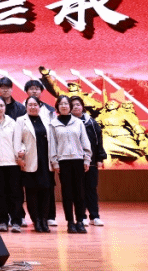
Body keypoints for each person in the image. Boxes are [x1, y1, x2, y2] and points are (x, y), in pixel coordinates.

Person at [50, 95, 91, 234]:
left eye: (66, 104)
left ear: (70, 106)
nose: (64, 106)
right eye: (61, 104)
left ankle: (80, 221)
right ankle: (70, 222)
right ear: (57, 106)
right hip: (63, 162)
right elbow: (52, 145)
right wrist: (55, 162)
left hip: (78, 160)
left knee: (80, 192)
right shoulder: (53, 124)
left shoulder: (78, 122)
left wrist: (87, 159)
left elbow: (85, 141)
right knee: (67, 193)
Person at [15, 96, 55, 233]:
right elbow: (17, 141)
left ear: (39, 106)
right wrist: (19, 156)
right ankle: (36, 220)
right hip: (29, 161)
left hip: (46, 161)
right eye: (30, 105)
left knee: (46, 192)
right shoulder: (21, 120)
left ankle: (44, 220)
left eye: (35, 104)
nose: (32, 107)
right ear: (26, 107)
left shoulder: (46, 120)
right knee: (32, 192)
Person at [23, 79, 56, 225]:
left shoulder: (49, 111)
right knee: (31, 190)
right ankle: (35, 219)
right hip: (29, 158)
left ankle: (48, 217)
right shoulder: (21, 111)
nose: (34, 91)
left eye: (37, 88)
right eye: (31, 88)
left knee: (47, 188)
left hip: (46, 157)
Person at [0, 96, 22, 233]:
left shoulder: (12, 122)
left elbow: (19, 140)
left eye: (1, 106)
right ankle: (2, 221)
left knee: (15, 193)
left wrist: (21, 152)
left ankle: (16, 221)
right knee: (0, 193)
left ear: (5, 107)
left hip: (12, 163)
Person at [73, 96, 107, 227]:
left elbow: (98, 141)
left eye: (78, 104)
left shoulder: (91, 122)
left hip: (91, 161)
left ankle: (95, 216)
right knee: (78, 190)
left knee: (91, 189)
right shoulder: (68, 122)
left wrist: (99, 158)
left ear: (82, 106)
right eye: (73, 105)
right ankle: (81, 217)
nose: (75, 107)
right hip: (75, 161)